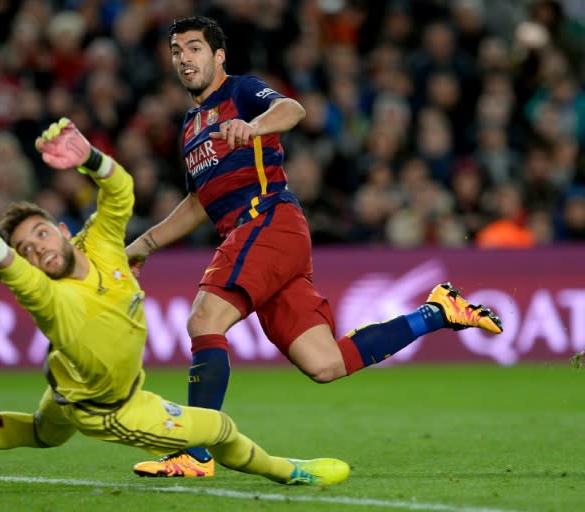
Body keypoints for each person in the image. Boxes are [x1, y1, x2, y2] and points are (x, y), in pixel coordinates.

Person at [0, 118, 350, 492]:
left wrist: (89, 155)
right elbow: (14, 274)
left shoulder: (98, 243)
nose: (37, 250)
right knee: (220, 428)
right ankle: (292, 474)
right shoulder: (47, 293)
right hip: (111, 407)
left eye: (39, 234)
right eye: (27, 250)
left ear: (57, 226)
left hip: (64, 388)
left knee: (41, 432)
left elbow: (120, 191)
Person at [126, 16, 503, 478]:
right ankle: (437, 311)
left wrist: (255, 126)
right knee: (325, 363)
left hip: (267, 221)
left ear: (218, 55)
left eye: (194, 48)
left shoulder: (240, 91)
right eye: (176, 50)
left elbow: (293, 110)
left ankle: (197, 453)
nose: (184, 57)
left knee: (205, 319)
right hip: (261, 240)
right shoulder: (189, 129)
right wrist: (144, 242)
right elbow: (198, 203)